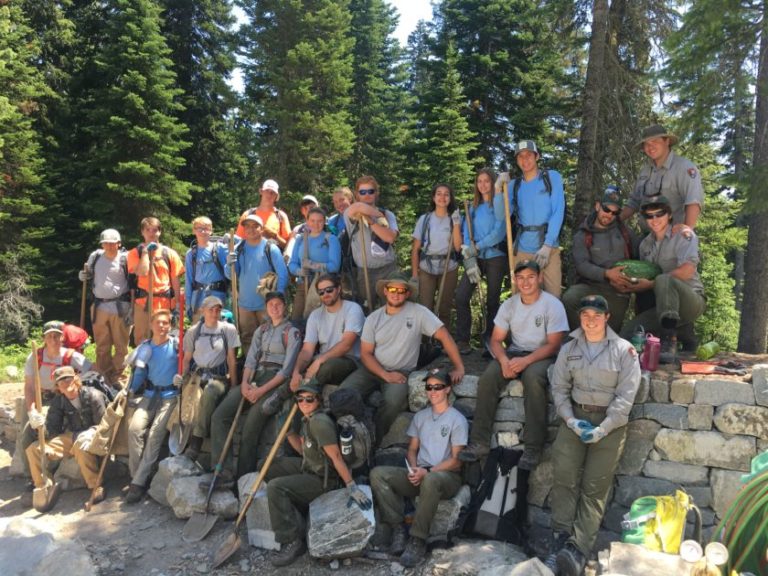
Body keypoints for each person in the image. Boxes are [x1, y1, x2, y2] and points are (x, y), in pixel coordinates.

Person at [545, 295, 641, 576]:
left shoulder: (624, 351)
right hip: (575, 417)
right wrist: (571, 420)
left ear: (607, 317)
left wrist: (604, 428)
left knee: (594, 489)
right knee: (563, 477)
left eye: (596, 314)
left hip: (610, 424)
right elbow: (559, 388)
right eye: (585, 314)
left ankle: (577, 549)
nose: (590, 319)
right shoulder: (569, 348)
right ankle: (559, 540)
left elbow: (625, 398)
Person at [459, 260, 568, 470]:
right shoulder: (509, 305)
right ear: (515, 281)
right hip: (515, 352)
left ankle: (533, 447)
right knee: (489, 377)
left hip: (543, 354)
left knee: (533, 379)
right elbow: (496, 340)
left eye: (530, 277)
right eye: (520, 278)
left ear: (540, 278)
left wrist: (526, 361)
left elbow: (554, 345)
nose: (525, 282)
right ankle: (480, 442)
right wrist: (504, 360)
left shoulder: (552, 304)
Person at [339, 272, 465, 441]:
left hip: (401, 372)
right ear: (385, 291)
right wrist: (384, 374)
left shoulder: (418, 312)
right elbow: (366, 354)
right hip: (372, 369)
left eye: (401, 290)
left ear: (407, 293)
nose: (396, 293)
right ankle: (342, 436)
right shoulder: (374, 318)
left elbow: (445, 336)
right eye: (392, 289)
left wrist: (459, 367)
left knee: (393, 403)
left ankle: (372, 439)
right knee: (342, 394)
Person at [265, 380, 372, 567]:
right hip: (310, 467)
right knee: (268, 466)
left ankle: (291, 540)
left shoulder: (319, 423)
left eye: (309, 399)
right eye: (300, 399)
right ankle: (293, 513)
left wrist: (351, 486)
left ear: (318, 401)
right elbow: (303, 451)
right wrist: (289, 433)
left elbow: (336, 456)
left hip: (324, 480)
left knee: (276, 487)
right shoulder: (308, 420)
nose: (304, 403)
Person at [370, 368, 468, 567]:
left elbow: (457, 460)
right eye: (429, 387)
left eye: (438, 387)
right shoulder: (420, 417)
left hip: (445, 476)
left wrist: (428, 472)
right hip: (421, 473)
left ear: (448, 389)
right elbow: (412, 449)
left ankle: (417, 540)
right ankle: (398, 528)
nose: (432, 391)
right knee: (378, 474)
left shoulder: (457, 419)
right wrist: (414, 469)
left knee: (431, 480)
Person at [208, 292, 301, 483]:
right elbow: (250, 360)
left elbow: (286, 371)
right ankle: (221, 472)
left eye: (278, 304)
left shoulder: (292, 332)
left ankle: (243, 478)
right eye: (270, 304)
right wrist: (244, 384)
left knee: (251, 425)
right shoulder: (262, 330)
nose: (274, 308)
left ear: (286, 307)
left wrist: (260, 391)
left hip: (275, 382)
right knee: (220, 415)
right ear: (266, 308)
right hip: (254, 378)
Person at [619, 196, 706, 364]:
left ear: (670, 215)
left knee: (663, 280)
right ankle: (683, 332)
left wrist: (653, 283)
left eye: (659, 214)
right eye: (649, 216)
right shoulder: (644, 245)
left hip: (691, 300)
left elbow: (688, 270)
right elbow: (647, 277)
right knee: (627, 336)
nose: (654, 219)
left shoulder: (684, 235)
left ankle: (669, 341)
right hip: (664, 305)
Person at [25, 366, 108, 508]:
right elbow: (52, 430)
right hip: (72, 435)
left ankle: (96, 486)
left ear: (76, 379)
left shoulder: (94, 396)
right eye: (61, 381)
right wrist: (39, 425)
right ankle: (44, 487)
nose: (66, 383)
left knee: (80, 445)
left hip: (94, 435)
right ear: (57, 387)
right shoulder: (59, 401)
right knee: (33, 449)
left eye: (68, 379)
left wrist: (92, 431)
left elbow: (105, 425)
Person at [20, 321, 92, 481]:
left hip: (64, 400)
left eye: (57, 336)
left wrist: (76, 384)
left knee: (48, 431)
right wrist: (32, 410)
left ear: (62, 338)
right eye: (49, 336)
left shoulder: (71, 356)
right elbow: (30, 386)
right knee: (27, 433)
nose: (53, 339)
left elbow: (93, 372)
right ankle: (31, 475)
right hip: (42, 399)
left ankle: (47, 471)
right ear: (43, 338)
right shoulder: (35, 356)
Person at [562, 186, 639, 333]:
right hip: (591, 286)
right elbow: (582, 265)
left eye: (614, 212)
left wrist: (631, 282)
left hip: (618, 291)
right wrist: (607, 274)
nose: (609, 215)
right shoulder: (583, 234)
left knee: (610, 333)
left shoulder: (625, 232)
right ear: (597, 206)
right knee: (569, 298)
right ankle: (579, 338)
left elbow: (640, 256)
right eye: (606, 209)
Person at [494, 140, 565, 296]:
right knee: (521, 299)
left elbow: (558, 211)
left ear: (537, 156)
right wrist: (498, 189)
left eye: (529, 155)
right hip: (522, 250)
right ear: (516, 160)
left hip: (549, 249)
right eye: (520, 156)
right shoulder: (514, 185)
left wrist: (547, 245)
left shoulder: (552, 178)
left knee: (553, 298)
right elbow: (501, 215)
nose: (525, 160)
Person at [125, 309, 180, 503]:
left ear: (170, 326)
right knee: (134, 430)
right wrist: (130, 390)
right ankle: (138, 476)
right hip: (150, 395)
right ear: (151, 325)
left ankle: (137, 483)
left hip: (170, 395)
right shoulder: (145, 348)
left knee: (155, 435)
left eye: (166, 323)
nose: (162, 326)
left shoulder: (176, 345)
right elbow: (139, 374)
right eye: (158, 322)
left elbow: (187, 363)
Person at [177, 296, 240, 461]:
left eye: (218, 309)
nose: (214, 313)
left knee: (210, 393)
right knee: (184, 403)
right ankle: (178, 442)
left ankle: (197, 440)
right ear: (202, 311)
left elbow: (231, 360)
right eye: (211, 309)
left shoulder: (228, 329)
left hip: (219, 378)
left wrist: (233, 386)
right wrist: (183, 378)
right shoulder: (193, 332)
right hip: (196, 377)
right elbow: (186, 359)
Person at [455, 168, 507, 355]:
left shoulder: (499, 204)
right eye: (479, 181)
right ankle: (462, 340)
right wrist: (469, 255)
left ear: (492, 183)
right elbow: (467, 233)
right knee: (461, 296)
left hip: (495, 257)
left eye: (486, 181)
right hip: (476, 257)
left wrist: (478, 246)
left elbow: (499, 232)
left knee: (492, 300)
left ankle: (491, 341)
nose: (483, 185)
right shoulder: (473, 207)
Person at [286, 273, 365, 397]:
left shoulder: (353, 309)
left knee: (327, 368)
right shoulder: (315, 315)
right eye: (321, 292)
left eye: (329, 290)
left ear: (338, 289)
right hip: (322, 360)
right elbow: (307, 350)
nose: (325, 294)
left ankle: (306, 394)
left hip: (349, 360)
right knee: (293, 371)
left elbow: (346, 344)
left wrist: (319, 361)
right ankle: (284, 398)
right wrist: (296, 372)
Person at [225, 214, 289, 353]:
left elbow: (283, 275)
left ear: (262, 229)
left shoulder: (270, 248)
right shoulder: (238, 248)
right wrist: (228, 264)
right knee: (247, 338)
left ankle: (266, 368)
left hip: (266, 304)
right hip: (245, 304)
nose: (251, 229)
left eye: (255, 226)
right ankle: (249, 369)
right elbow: (231, 275)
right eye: (247, 226)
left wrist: (278, 300)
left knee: (269, 337)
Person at [622, 124, 703, 231]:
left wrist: (687, 231)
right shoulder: (644, 171)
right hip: (647, 239)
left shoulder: (684, 168)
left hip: (673, 239)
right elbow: (634, 201)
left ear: (667, 141)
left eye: (655, 141)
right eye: (646, 144)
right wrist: (616, 219)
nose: (650, 147)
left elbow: (693, 201)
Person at [80, 228, 132, 385]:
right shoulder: (95, 256)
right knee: (102, 346)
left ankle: (118, 376)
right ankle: (104, 377)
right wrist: (82, 275)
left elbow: (135, 279)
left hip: (121, 306)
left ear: (119, 243)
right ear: (102, 244)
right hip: (100, 306)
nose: (109, 246)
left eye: (112, 243)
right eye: (106, 243)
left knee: (121, 346)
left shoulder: (126, 258)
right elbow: (87, 273)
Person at [343, 175, 400, 311]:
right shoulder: (351, 214)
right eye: (363, 192)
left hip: (388, 269)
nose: (367, 195)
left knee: (392, 308)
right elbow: (356, 207)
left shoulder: (387, 214)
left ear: (376, 193)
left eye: (371, 191)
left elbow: (390, 238)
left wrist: (372, 220)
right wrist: (375, 216)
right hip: (365, 273)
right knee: (367, 311)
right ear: (357, 194)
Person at [410, 183, 463, 329]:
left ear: (450, 198)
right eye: (439, 193)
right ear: (433, 197)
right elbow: (415, 249)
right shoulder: (425, 219)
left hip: (449, 267)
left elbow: (458, 247)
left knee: (445, 308)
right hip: (427, 268)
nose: (442, 197)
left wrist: (457, 223)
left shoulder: (455, 219)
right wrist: (415, 275)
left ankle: (443, 343)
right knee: (426, 307)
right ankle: (426, 342)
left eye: (446, 194)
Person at [126, 217, 185, 343]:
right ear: (142, 232)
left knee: (163, 338)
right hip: (143, 303)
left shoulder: (169, 254)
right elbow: (142, 272)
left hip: (164, 303)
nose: (151, 233)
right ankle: (143, 363)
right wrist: (146, 252)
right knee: (141, 339)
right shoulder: (135, 253)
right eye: (148, 230)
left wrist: (178, 304)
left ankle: (162, 362)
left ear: (160, 232)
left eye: (155, 230)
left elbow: (175, 280)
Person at [287, 207, 341, 321]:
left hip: (325, 287)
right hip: (304, 284)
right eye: (312, 220)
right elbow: (292, 264)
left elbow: (334, 266)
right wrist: (300, 271)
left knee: (321, 320)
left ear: (325, 221)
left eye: (320, 221)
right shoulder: (300, 239)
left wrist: (312, 265)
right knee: (297, 319)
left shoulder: (331, 239)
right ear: (307, 221)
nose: (316, 224)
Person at [184, 216, 228, 322]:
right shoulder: (191, 254)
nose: (203, 231)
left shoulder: (220, 249)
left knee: (218, 329)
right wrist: (188, 303)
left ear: (211, 231)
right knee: (198, 330)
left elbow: (229, 273)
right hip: (198, 299)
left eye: (206, 228)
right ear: (194, 230)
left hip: (218, 296)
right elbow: (189, 280)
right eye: (199, 228)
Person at [236, 179, 292, 250]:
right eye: (267, 191)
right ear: (261, 192)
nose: (269, 194)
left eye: (272, 192)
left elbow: (289, 247)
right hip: (250, 258)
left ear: (276, 196)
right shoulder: (247, 215)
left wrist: (275, 236)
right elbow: (238, 242)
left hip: (272, 258)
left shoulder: (281, 216)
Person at [284, 194, 320, 260]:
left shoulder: (327, 226)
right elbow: (289, 250)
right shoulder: (297, 230)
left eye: (311, 207)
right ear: (302, 211)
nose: (308, 210)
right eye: (305, 208)